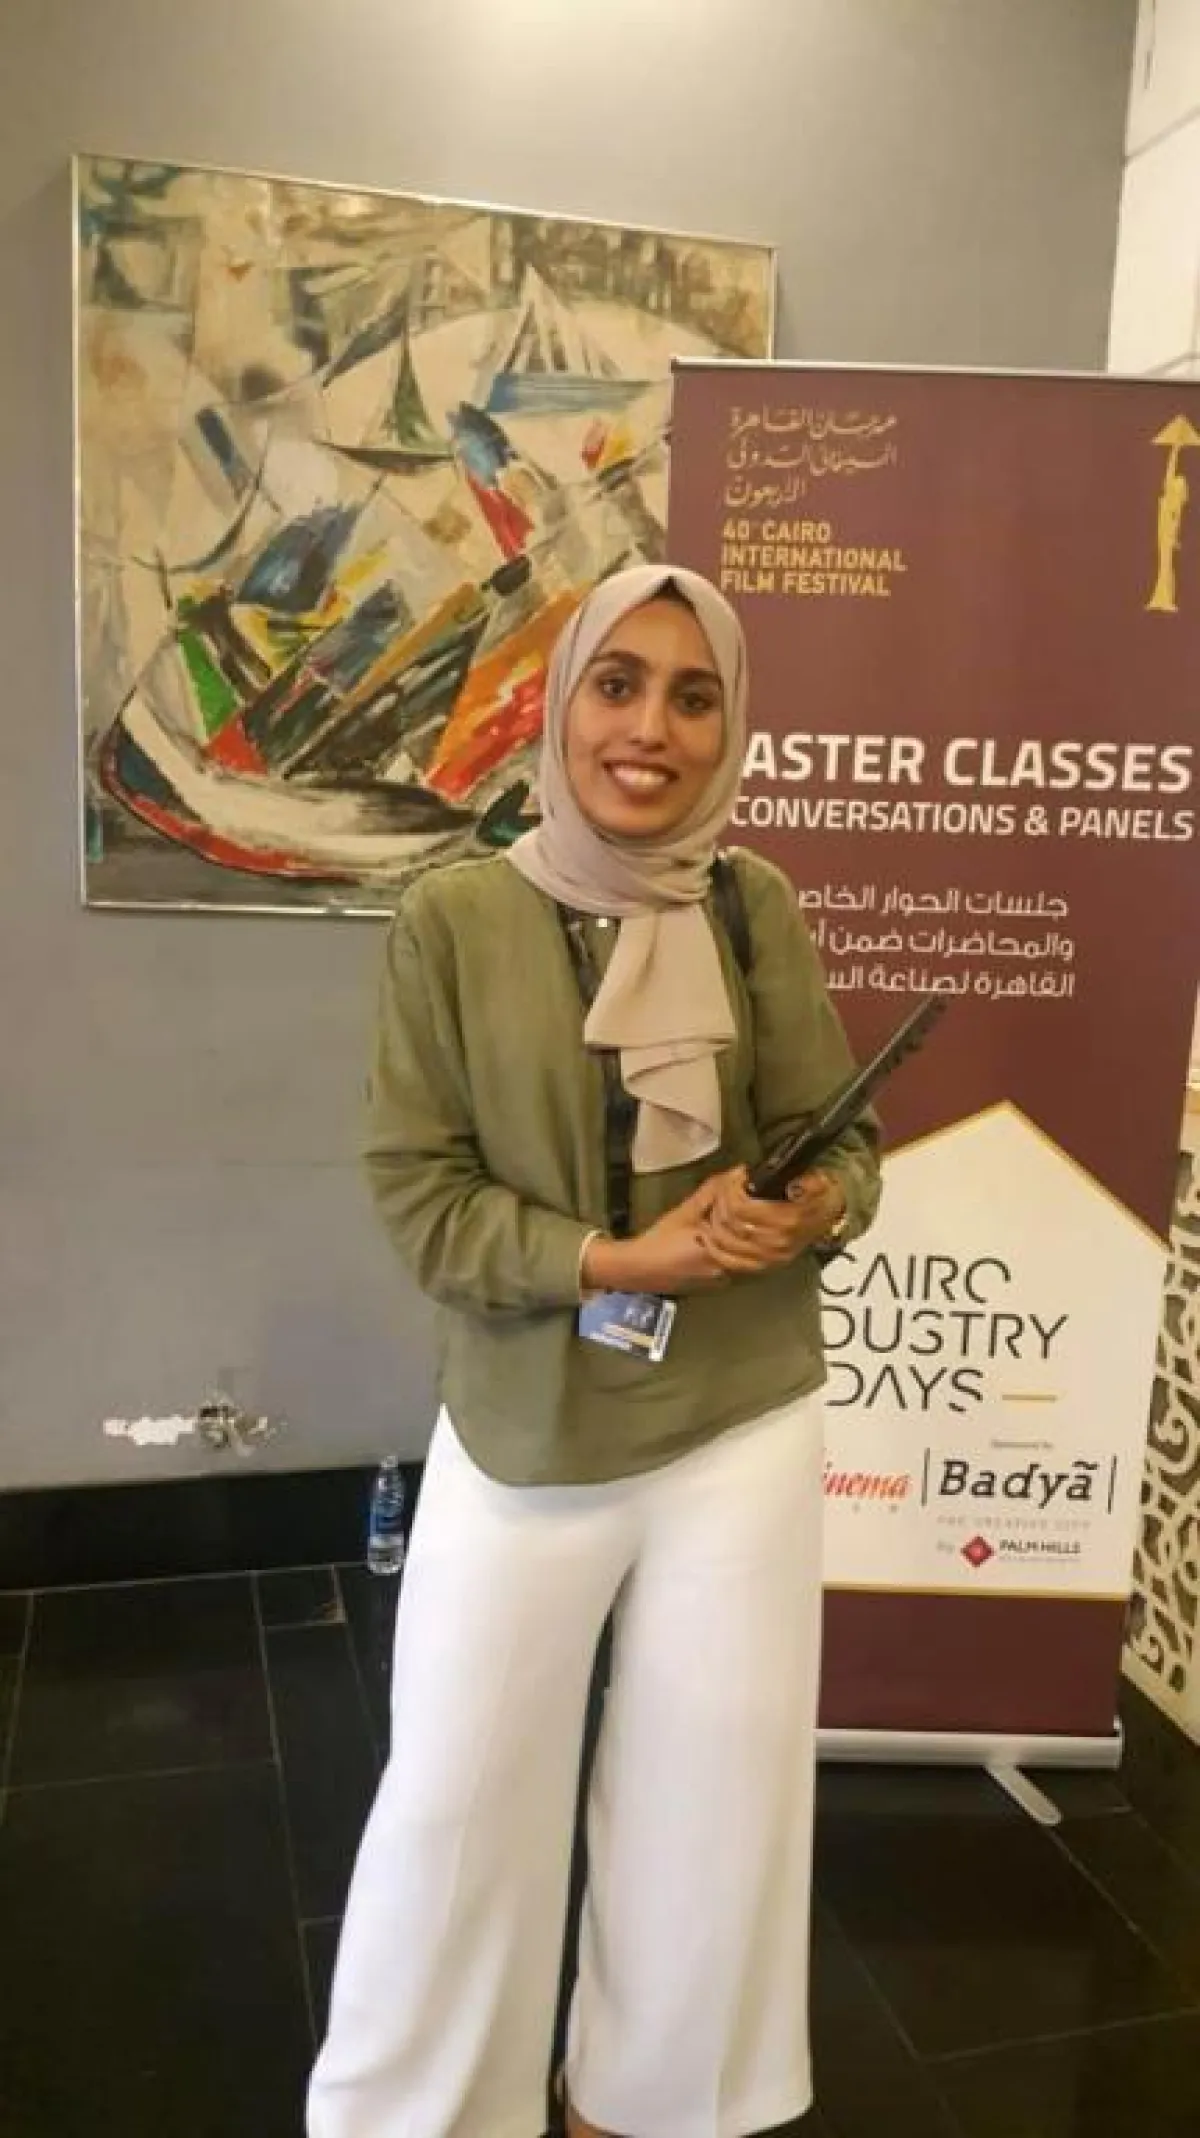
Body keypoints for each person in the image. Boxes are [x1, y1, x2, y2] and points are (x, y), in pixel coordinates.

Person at [308, 564, 882, 2138]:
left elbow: (848, 1143)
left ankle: (651, 2102)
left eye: (694, 697)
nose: (652, 728)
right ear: (561, 704)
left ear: (730, 722)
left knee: (716, 1795)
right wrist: (626, 1259)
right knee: (458, 1799)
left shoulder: (754, 904)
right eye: (618, 684)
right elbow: (423, 1199)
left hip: (742, 1414)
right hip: (529, 1424)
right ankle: (420, 2113)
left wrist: (813, 1200)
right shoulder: (454, 918)